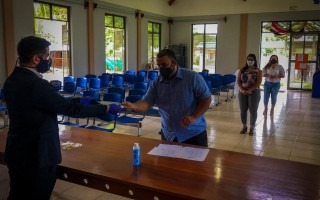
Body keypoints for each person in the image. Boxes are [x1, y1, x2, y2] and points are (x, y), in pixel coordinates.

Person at [2, 36, 122, 200]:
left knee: (18, 194)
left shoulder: (12, 80)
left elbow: (50, 102)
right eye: (47, 56)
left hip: (18, 151)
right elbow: (70, 110)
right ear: (36, 59)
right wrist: (105, 108)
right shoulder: (36, 84)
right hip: (37, 155)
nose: (49, 60)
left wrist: (80, 99)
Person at [123, 49, 212, 147]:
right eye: (159, 65)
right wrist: (133, 106)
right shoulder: (156, 83)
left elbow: (206, 99)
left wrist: (194, 116)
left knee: (196, 162)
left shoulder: (192, 77)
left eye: (164, 65)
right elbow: (146, 103)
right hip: (169, 135)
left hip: (193, 133)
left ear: (173, 63)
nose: (161, 68)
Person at [237, 54, 262, 136]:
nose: (250, 61)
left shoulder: (258, 71)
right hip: (242, 92)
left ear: (254, 61)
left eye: (251, 59)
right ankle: (244, 126)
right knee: (243, 110)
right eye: (248, 59)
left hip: (254, 92)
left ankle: (252, 127)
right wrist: (241, 89)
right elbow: (238, 81)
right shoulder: (242, 70)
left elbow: (258, 82)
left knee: (253, 110)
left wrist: (250, 90)